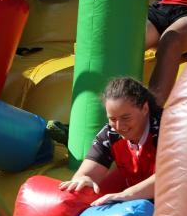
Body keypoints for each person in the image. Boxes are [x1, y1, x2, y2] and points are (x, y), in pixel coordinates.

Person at [59, 77, 160, 207]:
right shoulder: (110, 135)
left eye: (126, 117)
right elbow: (86, 174)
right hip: (142, 204)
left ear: (145, 108)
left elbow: (173, 175)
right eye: (112, 119)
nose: (118, 126)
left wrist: (126, 195)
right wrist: (84, 179)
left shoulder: (167, 128)